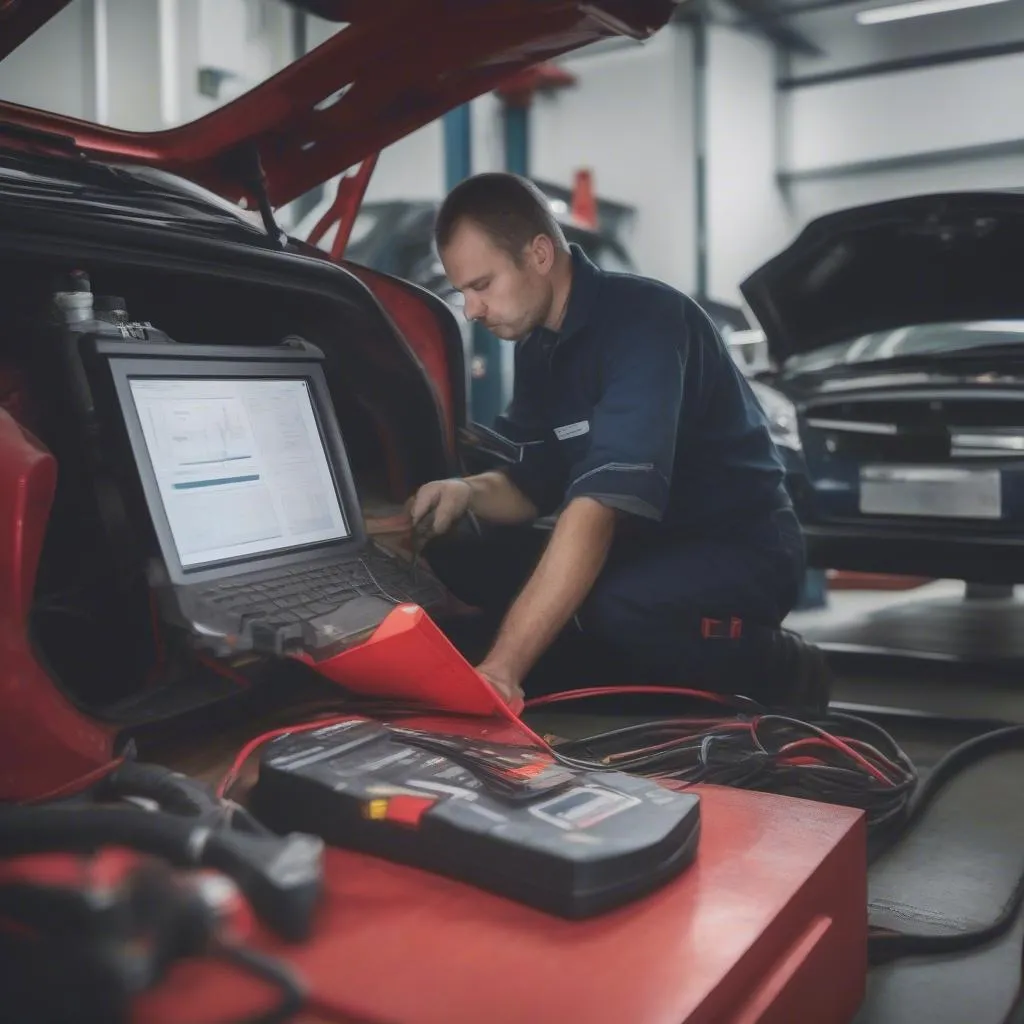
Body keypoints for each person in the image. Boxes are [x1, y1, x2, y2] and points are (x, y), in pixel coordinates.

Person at [411, 172, 830, 713]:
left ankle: (784, 668)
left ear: (539, 254)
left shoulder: (646, 324)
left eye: (482, 286)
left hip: (739, 545)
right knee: (476, 559)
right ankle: (605, 680)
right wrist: (464, 492)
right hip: (648, 543)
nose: (470, 311)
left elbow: (599, 507)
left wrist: (503, 668)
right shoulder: (541, 346)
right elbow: (528, 487)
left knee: (620, 607)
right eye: (463, 292)